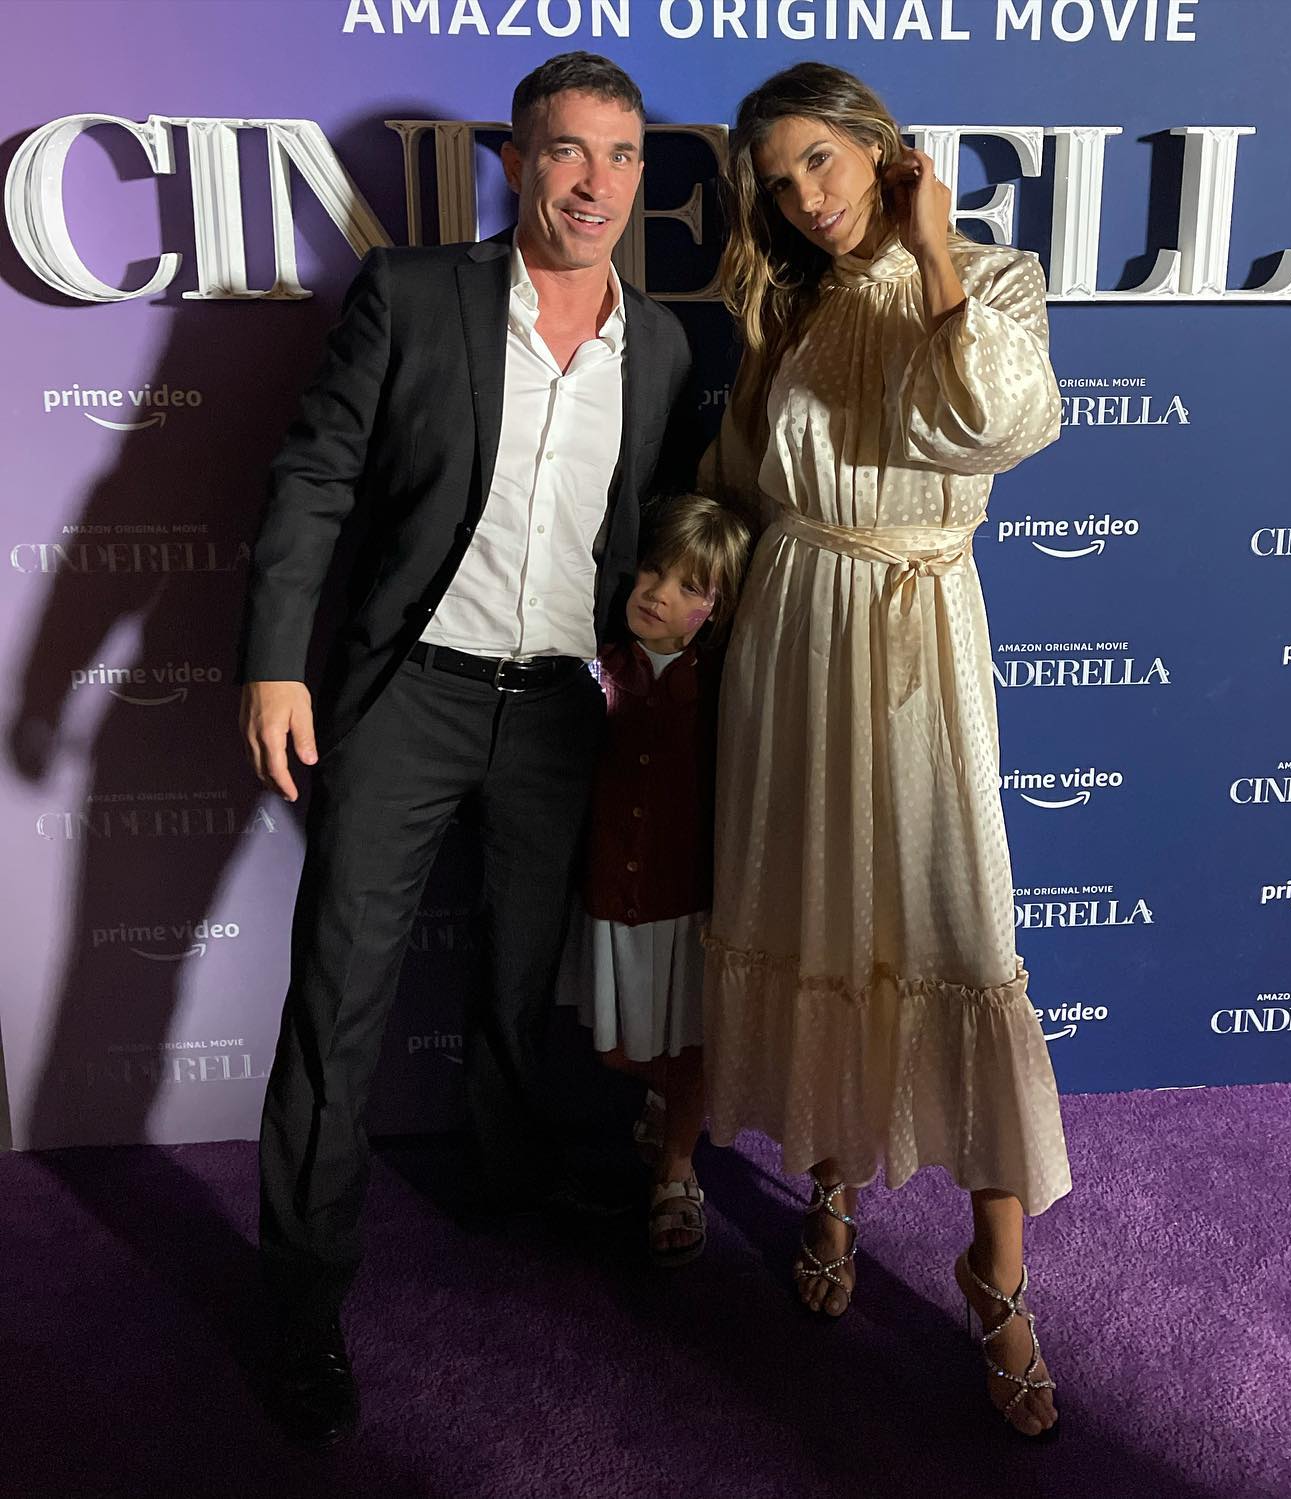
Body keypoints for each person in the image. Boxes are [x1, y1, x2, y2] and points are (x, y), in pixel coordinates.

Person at [236, 53, 695, 1446]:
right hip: (406, 696)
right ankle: (300, 1295)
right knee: (340, 992)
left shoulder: (664, 346)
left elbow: (640, 534)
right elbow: (315, 476)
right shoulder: (414, 294)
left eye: (621, 155)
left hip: (557, 708)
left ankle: (504, 1178)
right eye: (567, 150)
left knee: (518, 974)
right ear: (514, 162)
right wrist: (273, 660)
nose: (595, 183)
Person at [699, 62, 1071, 1439]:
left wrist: (934, 252)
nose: (807, 196)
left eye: (822, 159)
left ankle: (998, 1274)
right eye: (780, 178)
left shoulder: (998, 279)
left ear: (881, 148)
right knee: (820, 911)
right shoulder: (784, 306)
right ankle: (833, 1187)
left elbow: (990, 422)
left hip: (917, 626)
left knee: (957, 933)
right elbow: (743, 480)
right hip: (795, 632)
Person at [563, 495, 750, 1267]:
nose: (659, 593)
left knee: (690, 1043)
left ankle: (677, 1167)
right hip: (612, 894)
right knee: (617, 1049)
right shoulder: (598, 669)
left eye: (688, 586)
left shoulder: (724, 687)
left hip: (687, 903)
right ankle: (666, 1099)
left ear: (716, 610)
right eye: (652, 569)